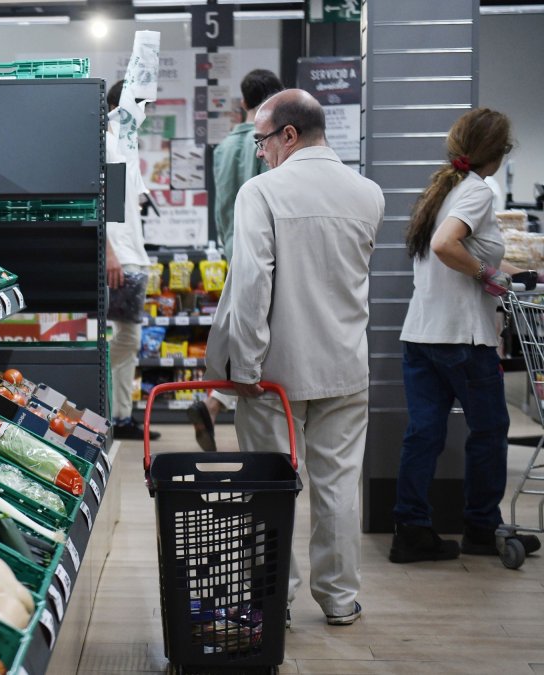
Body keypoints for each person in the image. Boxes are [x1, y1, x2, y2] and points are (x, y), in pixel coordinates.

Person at [204, 89, 385, 627]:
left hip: (274, 374)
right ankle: (339, 599)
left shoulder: (261, 193)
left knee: (269, 486)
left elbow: (254, 285)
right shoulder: (368, 192)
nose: (258, 151)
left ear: (288, 134)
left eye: (261, 140)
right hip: (346, 367)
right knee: (338, 487)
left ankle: (271, 597)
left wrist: (248, 368)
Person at [390, 107, 542, 563]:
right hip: (463, 338)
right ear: (497, 155)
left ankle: (411, 530)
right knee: (491, 429)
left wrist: (520, 274)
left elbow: (462, 252)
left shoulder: (443, 189)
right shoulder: (477, 191)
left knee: (423, 435)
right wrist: (486, 274)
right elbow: (445, 247)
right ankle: (480, 526)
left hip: (421, 335)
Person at [187, 69, 284, 452]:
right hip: (267, 255)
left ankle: (212, 405)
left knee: (238, 333)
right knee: (262, 347)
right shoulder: (270, 144)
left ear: (242, 103)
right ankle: (226, 408)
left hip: (233, 251)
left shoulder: (225, 146)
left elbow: (222, 208)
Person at [106, 80, 159, 441]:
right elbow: (101, 201)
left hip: (133, 254)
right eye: (142, 106)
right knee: (126, 337)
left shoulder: (126, 144)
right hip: (120, 256)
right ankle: (95, 390)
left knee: (128, 338)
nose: (146, 114)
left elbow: (133, 199)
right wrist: (109, 251)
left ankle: (121, 416)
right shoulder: (107, 143)